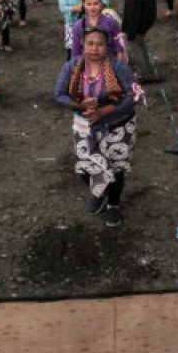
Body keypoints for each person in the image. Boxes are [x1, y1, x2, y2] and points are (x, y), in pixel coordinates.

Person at [52, 28, 138, 227]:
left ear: (107, 46)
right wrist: (80, 105)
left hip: (118, 124)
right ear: (82, 45)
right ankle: (100, 192)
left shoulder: (119, 67)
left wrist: (104, 110)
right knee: (86, 167)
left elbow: (133, 95)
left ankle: (113, 204)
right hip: (85, 124)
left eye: (99, 44)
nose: (94, 48)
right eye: (90, 43)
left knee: (116, 169)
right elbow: (59, 95)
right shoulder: (72, 66)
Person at [119, 0, 165, 83]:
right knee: (141, 44)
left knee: (134, 45)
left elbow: (134, 6)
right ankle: (148, 70)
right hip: (148, 18)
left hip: (137, 20)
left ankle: (144, 74)